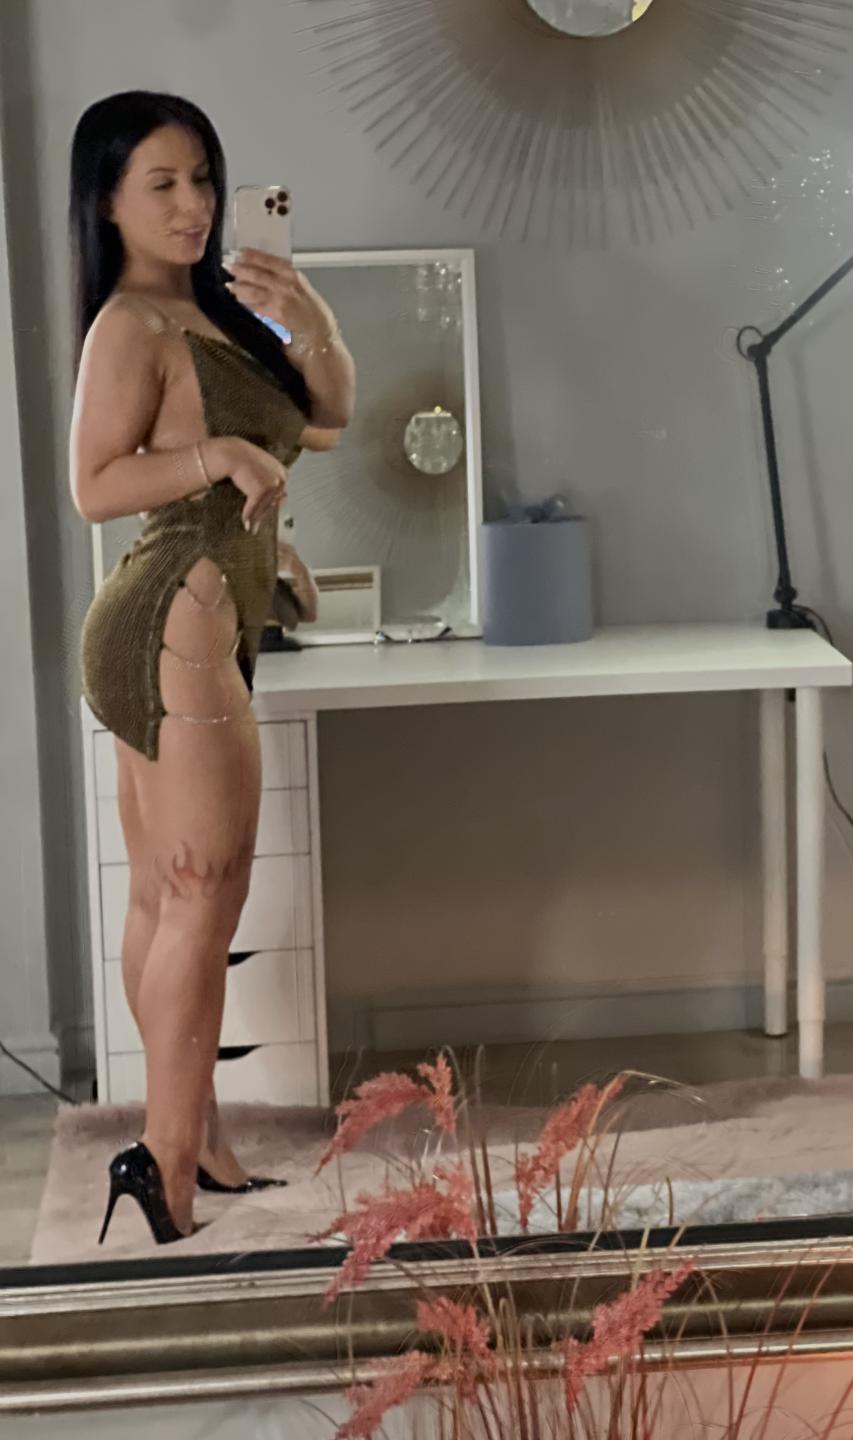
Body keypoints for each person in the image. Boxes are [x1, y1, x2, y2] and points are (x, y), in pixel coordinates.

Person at [68, 91, 355, 1245]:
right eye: (162, 184)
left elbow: (325, 421)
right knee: (202, 894)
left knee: (167, 897)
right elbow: (94, 485)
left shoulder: (214, 312)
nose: (192, 204)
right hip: (170, 618)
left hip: (197, 616)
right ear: (107, 203)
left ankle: (195, 1142)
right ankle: (166, 1172)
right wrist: (218, 453)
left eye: (202, 178)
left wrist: (311, 318)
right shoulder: (129, 324)